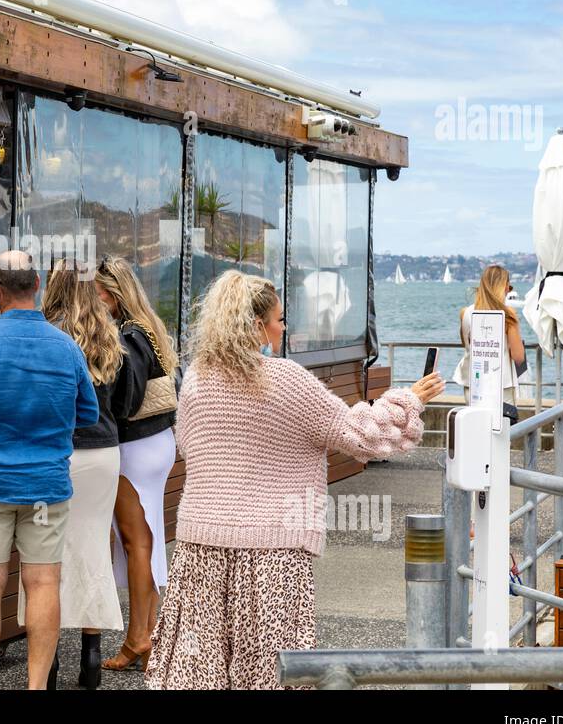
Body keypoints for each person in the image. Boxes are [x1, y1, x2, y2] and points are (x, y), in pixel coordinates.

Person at [145, 271, 444, 690]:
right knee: (270, 671)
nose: (283, 327)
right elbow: (361, 435)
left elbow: (189, 446)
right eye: (280, 319)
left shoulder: (197, 377)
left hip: (200, 546)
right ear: (256, 326)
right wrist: (410, 399)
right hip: (272, 553)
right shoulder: (286, 380)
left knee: (201, 670)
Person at [0, 250, 98, 690]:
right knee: (44, 582)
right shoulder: (66, 347)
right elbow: (88, 411)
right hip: (46, 485)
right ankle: (35, 686)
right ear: (38, 286)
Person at [23, 259, 133, 690]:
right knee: (92, 551)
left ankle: (46, 664)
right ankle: (90, 658)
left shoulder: (45, 334)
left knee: (44, 554)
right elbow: (123, 404)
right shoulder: (110, 335)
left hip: (56, 452)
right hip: (102, 454)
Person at [93, 256, 178, 673]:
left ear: (112, 294)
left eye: (98, 294)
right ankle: (145, 636)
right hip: (157, 442)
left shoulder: (127, 336)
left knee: (135, 542)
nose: (94, 302)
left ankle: (140, 638)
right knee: (146, 539)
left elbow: (125, 402)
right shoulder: (149, 328)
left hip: (135, 446)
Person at [455, 264, 526, 416]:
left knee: (476, 428)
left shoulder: (466, 313)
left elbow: (466, 345)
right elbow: (519, 357)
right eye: (508, 286)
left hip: (473, 384)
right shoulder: (508, 315)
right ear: (504, 287)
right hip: (501, 385)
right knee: (500, 434)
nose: (508, 290)